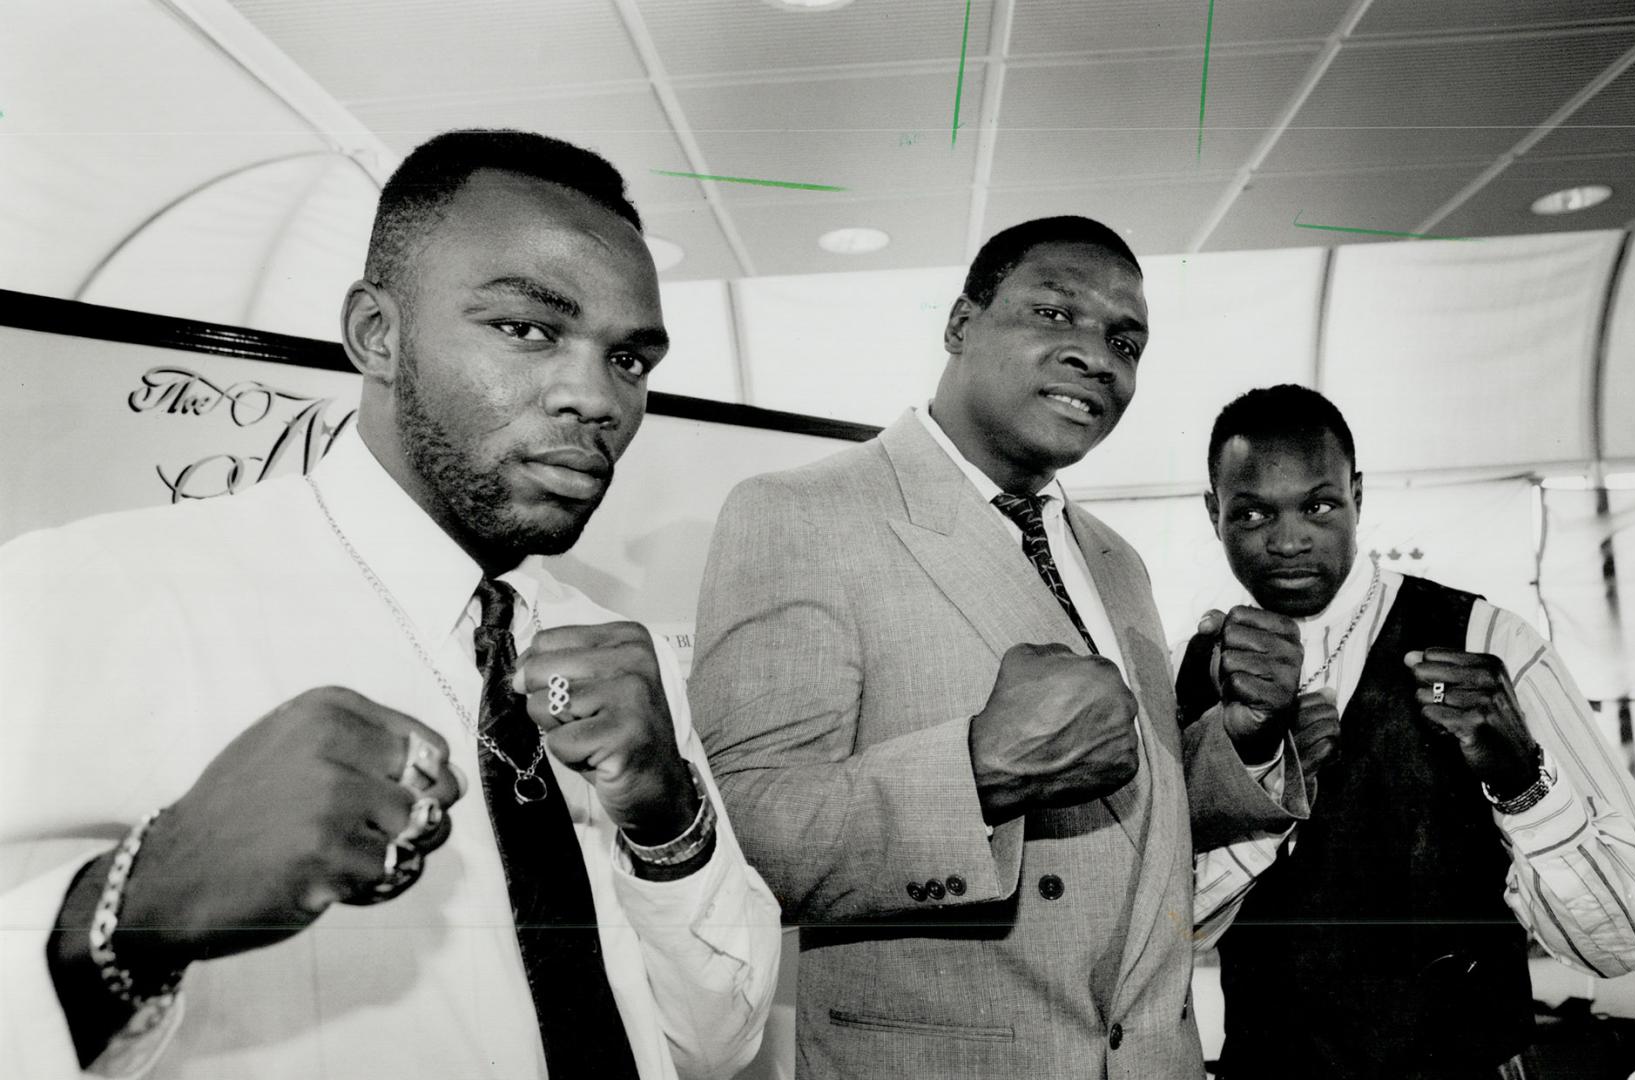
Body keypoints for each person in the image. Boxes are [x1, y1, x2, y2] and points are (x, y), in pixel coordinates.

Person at [0, 129, 779, 1080]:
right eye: (528, 329)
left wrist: (667, 819)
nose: (595, 398)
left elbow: (716, 1046)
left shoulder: (616, 655)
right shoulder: (101, 596)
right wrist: (130, 913)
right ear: (378, 334)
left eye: (630, 360)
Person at [688, 216, 1312, 1079]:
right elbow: (743, 838)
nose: (1097, 355)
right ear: (959, 322)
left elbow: (1127, 826)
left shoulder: (1116, 561)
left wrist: (1237, 739)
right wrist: (978, 772)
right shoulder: (801, 513)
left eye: (1124, 340)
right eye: (1056, 314)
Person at [1182, 384, 1635, 1079]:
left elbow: (1626, 943)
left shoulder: (1489, 642)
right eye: (1254, 512)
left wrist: (1523, 781)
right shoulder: (1194, 667)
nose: (1288, 539)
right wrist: (1259, 778)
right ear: (1215, 513)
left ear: (1358, 495)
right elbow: (1163, 933)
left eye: (1318, 505)